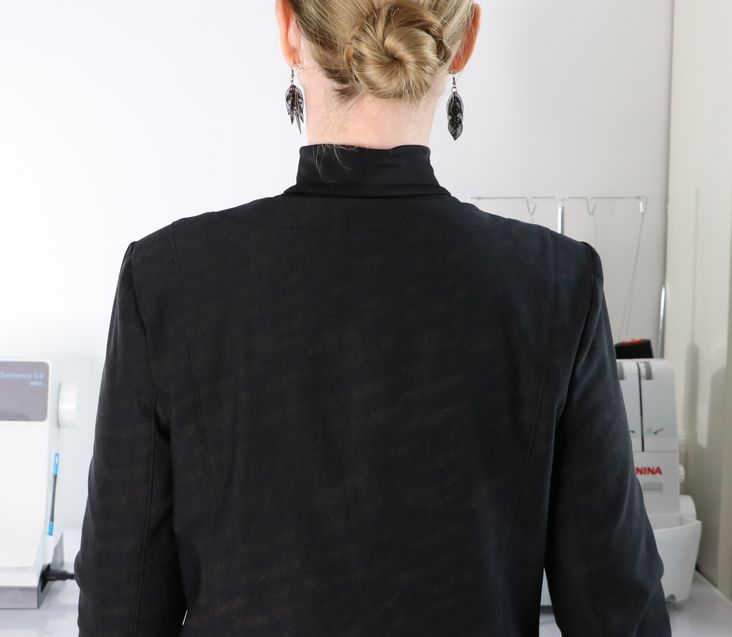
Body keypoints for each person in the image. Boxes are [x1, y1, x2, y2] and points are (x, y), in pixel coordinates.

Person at [74, 0, 672, 635]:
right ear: (464, 39)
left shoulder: (166, 281)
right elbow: (620, 613)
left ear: (289, 29)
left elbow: (120, 610)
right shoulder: (556, 285)